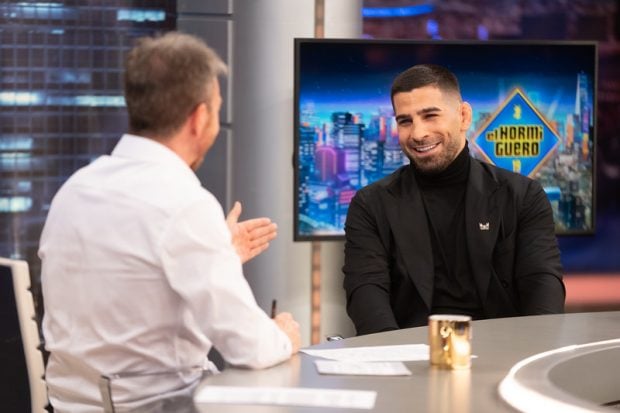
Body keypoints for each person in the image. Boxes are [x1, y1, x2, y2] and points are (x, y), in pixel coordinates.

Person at [39, 32, 301, 412]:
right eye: (216, 108)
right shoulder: (185, 203)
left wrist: (218, 254)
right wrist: (282, 336)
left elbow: (126, 286)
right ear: (199, 118)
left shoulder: (74, 189)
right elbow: (250, 347)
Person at [343, 64, 565, 336]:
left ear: (463, 116)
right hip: (409, 358)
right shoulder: (370, 205)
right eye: (405, 121)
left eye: (430, 116)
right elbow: (366, 293)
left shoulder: (522, 196)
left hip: (503, 353)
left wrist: (525, 357)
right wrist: (393, 361)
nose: (418, 133)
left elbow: (543, 287)